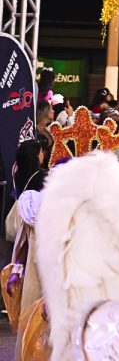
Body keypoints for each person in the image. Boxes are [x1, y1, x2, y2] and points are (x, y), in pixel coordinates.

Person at [5, 142, 47, 349]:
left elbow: (21, 241)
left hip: (31, 262)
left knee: (32, 316)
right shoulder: (45, 181)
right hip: (49, 263)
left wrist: (16, 270)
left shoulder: (21, 179)